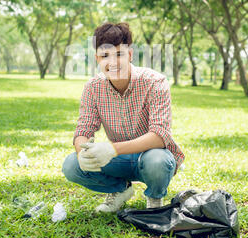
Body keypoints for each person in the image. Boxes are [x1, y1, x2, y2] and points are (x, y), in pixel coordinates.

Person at [62, 22, 184, 213]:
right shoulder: (93, 88)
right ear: (97, 58)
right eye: (105, 56)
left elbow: (160, 135)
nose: (112, 62)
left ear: (130, 54)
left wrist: (112, 149)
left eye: (119, 54)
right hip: (118, 159)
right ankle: (121, 190)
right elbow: (83, 130)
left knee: (158, 161)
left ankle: (154, 198)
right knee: (71, 165)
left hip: (151, 156)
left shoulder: (155, 82)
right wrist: (81, 152)